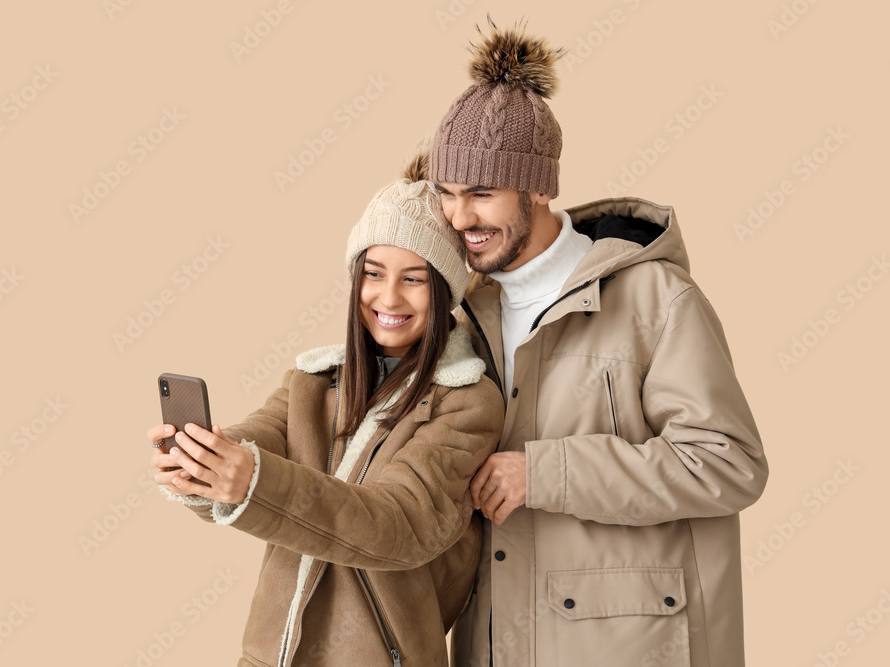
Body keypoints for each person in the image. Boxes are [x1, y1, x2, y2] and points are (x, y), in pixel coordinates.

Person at [425, 20, 769, 667]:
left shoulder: (655, 299)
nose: (459, 217)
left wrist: (546, 472)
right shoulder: (464, 313)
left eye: (480, 193)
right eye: (446, 194)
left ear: (538, 187)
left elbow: (729, 463)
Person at [147, 159, 505, 667]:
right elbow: (258, 443)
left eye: (414, 279)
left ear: (444, 289)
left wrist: (252, 481)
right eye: (374, 274)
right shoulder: (313, 382)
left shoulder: (467, 401)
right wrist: (201, 467)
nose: (388, 297)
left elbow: (398, 524)